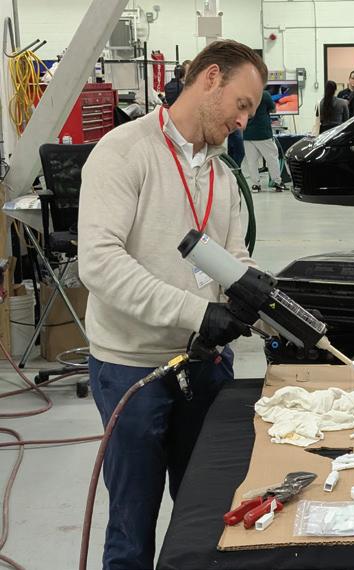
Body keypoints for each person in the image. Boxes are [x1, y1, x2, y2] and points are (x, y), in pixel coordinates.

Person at [78, 39, 267, 570]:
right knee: (132, 526)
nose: (243, 121)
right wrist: (196, 312)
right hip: (132, 367)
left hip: (204, 365)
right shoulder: (123, 151)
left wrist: (255, 291)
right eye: (242, 105)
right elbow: (100, 264)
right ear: (210, 78)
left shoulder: (222, 174)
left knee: (205, 517)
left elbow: (231, 256)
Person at [243, 88, 286, 193]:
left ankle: (255, 185)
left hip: (247, 134)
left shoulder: (244, 95)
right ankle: (277, 182)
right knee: (272, 158)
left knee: (252, 161)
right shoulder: (264, 94)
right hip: (262, 133)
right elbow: (274, 110)